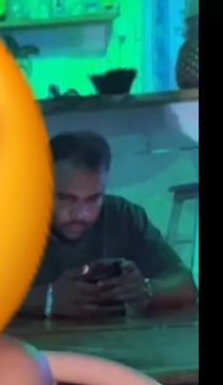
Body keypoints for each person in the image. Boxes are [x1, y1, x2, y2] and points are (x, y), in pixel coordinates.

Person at [19, 131, 197, 319]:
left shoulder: (123, 215)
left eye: (93, 199)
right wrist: (44, 300)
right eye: (66, 199)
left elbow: (186, 285)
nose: (80, 214)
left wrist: (145, 289)